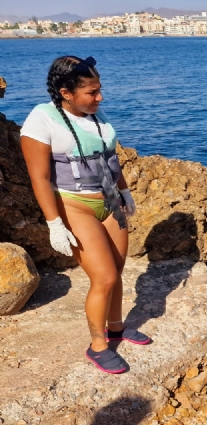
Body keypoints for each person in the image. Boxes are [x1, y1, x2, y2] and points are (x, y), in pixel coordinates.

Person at [20, 56, 150, 375]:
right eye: (92, 92)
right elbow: (40, 179)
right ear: (66, 92)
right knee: (103, 277)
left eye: (99, 89)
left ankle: (116, 327)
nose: (100, 97)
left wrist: (125, 192)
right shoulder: (42, 119)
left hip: (109, 200)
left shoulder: (94, 114)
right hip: (74, 205)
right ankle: (97, 346)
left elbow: (110, 157)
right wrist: (55, 224)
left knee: (117, 270)